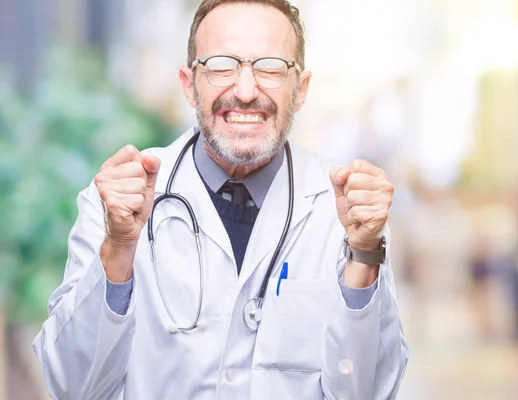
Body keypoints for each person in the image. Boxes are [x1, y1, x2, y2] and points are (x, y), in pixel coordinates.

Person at [32, 1, 408, 399]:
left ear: (301, 90)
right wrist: (118, 250)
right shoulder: (116, 202)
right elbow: (71, 387)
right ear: (188, 85)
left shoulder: (345, 211)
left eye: (270, 67)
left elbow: (366, 392)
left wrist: (364, 256)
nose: (245, 92)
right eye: (221, 66)